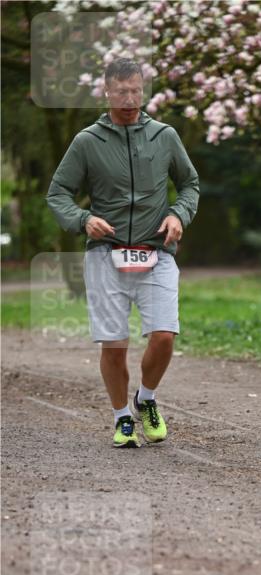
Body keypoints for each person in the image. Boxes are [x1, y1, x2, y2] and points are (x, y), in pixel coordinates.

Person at [46, 57, 199, 448]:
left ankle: (145, 399)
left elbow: (189, 184)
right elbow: (58, 193)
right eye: (121, 92)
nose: (129, 98)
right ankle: (121, 419)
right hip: (106, 255)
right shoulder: (87, 142)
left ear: (143, 90)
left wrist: (178, 215)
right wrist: (83, 220)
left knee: (164, 336)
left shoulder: (164, 136)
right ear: (106, 92)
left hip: (156, 251)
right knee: (114, 344)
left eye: (135, 90)